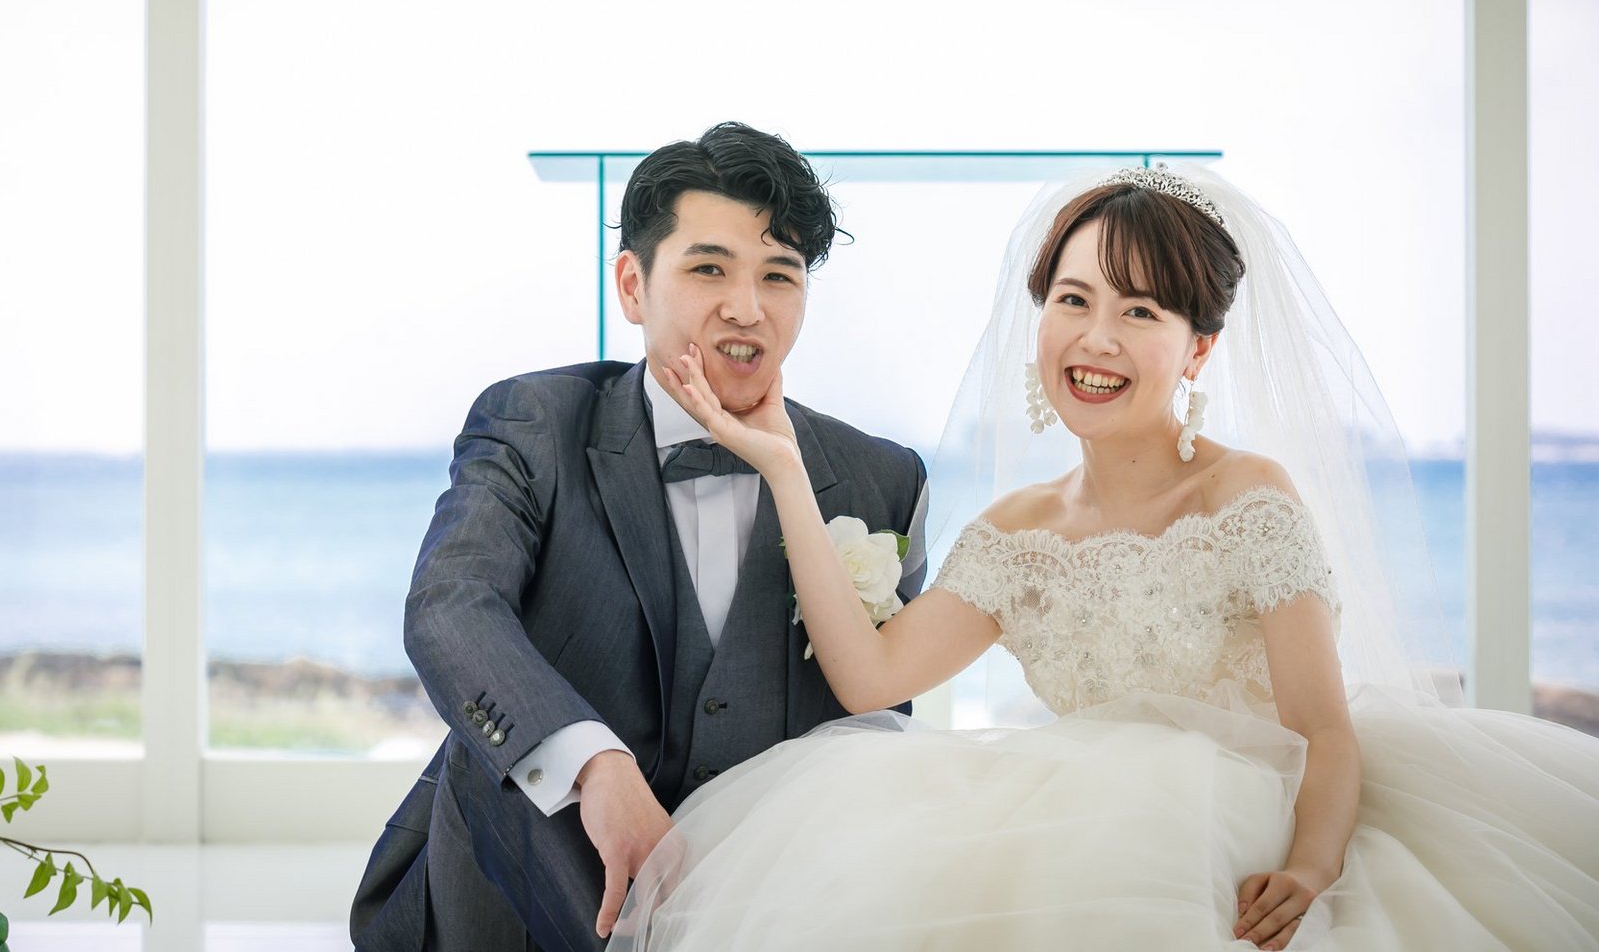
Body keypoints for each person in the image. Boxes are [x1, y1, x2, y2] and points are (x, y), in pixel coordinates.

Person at [611, 165, 1599, 950]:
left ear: (1198, 349)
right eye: (1073, 300)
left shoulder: (1248, 497)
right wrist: (786, 471)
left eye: (1140, 312)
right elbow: (871, 676)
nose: (1096, 338)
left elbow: (1325, 731)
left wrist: (1310, 868)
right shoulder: (1017, 530)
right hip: (1089, 836)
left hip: (1260, 828)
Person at [348, 122, 929, 952]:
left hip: (758, 904)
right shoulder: (535, 423)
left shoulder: (880, 479)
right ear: (632, 285)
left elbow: (874, 737)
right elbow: (450, 606)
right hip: (525, 883)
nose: (746, 307)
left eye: (779, 275)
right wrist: (594, 766)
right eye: (708, 268)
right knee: (512, 748)